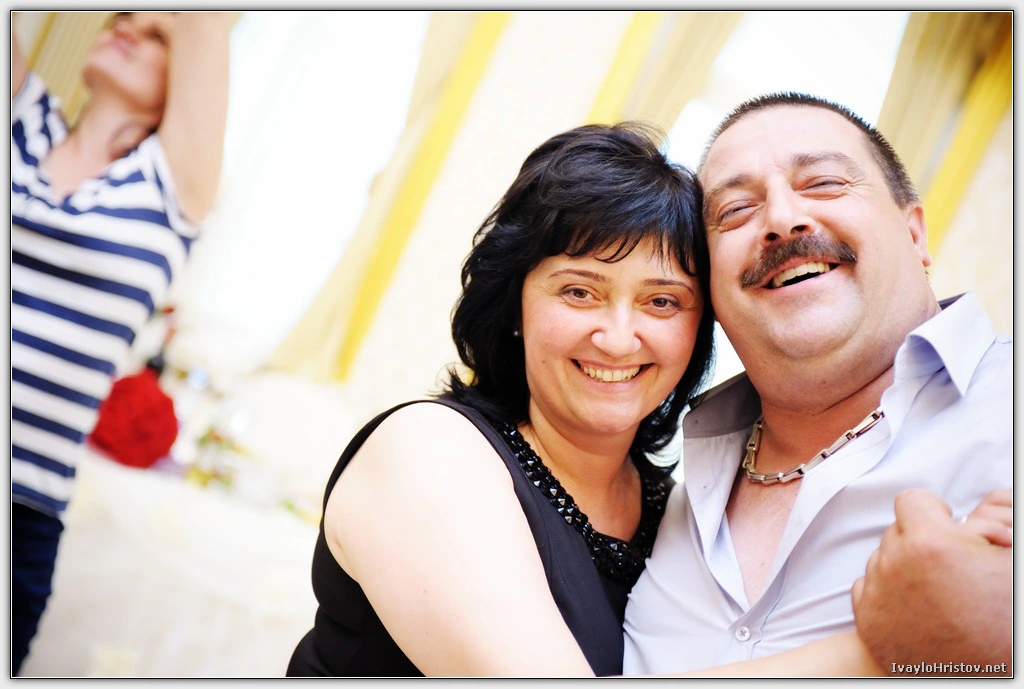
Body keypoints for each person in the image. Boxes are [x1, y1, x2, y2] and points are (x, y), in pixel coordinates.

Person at [622, 92, 1012, 675]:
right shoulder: (666, 496)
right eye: (735, 211)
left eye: (825, 184)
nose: (782, 220)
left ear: (914, 235)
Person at [11, 11, 231, 675]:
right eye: (121, 17)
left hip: (19, 514)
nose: (127, 28)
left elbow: (206, 19)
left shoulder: (171, 184)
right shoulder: (20, 125)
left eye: (158, 34)